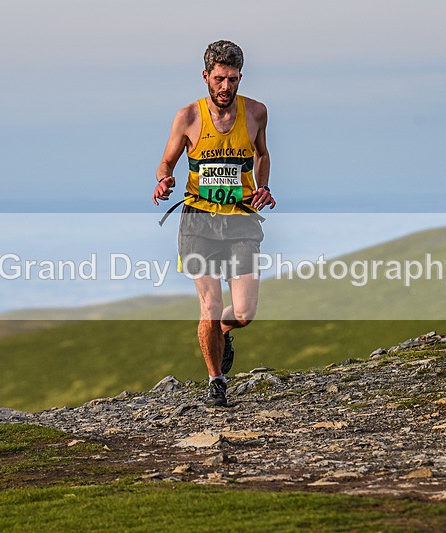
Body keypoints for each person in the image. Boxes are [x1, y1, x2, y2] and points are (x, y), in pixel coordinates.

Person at [152, 40, 275, 407]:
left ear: (240, 78)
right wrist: (163, 180)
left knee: (243, 313)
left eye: (233, 80)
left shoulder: (256, 112)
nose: (226, 88)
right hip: (198, 221)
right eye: (219, 79)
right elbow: (166, 163)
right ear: (206, 76)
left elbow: (262, 154)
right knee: (209, 304)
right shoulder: (187, 116)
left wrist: (264, 185)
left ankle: (223, 331)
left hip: (240, 220)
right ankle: (216, 381)